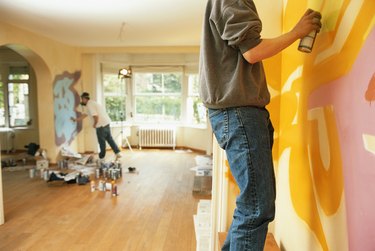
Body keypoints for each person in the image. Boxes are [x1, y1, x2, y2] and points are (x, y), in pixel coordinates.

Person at [199, 1, 321, 250]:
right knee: (256, 207)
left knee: (252, 204)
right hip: (240, 113)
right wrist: (297, 31)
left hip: (238, 113)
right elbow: (252, 52)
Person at [71, 92, 122, 161]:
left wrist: (95, 124)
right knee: (110, 139)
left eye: (82, 99)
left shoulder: (89, 105)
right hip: (106, 123)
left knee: (101, 141)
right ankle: (117, 153)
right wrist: (76, 120)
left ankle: (101, 157)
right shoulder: (92, 103)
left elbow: (95, 116)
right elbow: (85, 115)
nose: (81, 101)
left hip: (100, 125)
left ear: (84, 99)